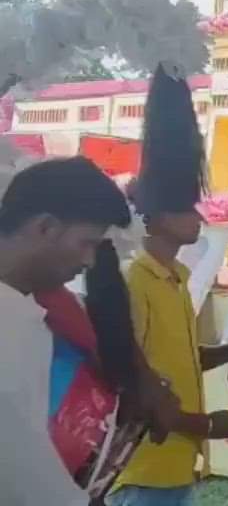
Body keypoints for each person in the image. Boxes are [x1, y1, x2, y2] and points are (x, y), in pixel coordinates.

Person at [113, 70, 228, 506]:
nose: (199, 217)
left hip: (178, 464)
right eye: (188, 208)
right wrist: (205, 425)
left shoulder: (177, 279)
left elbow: (185, 359)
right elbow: (131, 380)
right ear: (157, 217)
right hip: (144, 467)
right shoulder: (134, 279)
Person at [0, 157, 164, 506]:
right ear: (46, 227)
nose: (89, 261)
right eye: (86, 243)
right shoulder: (7, 325)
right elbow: (18, 466)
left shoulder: (24, 312)